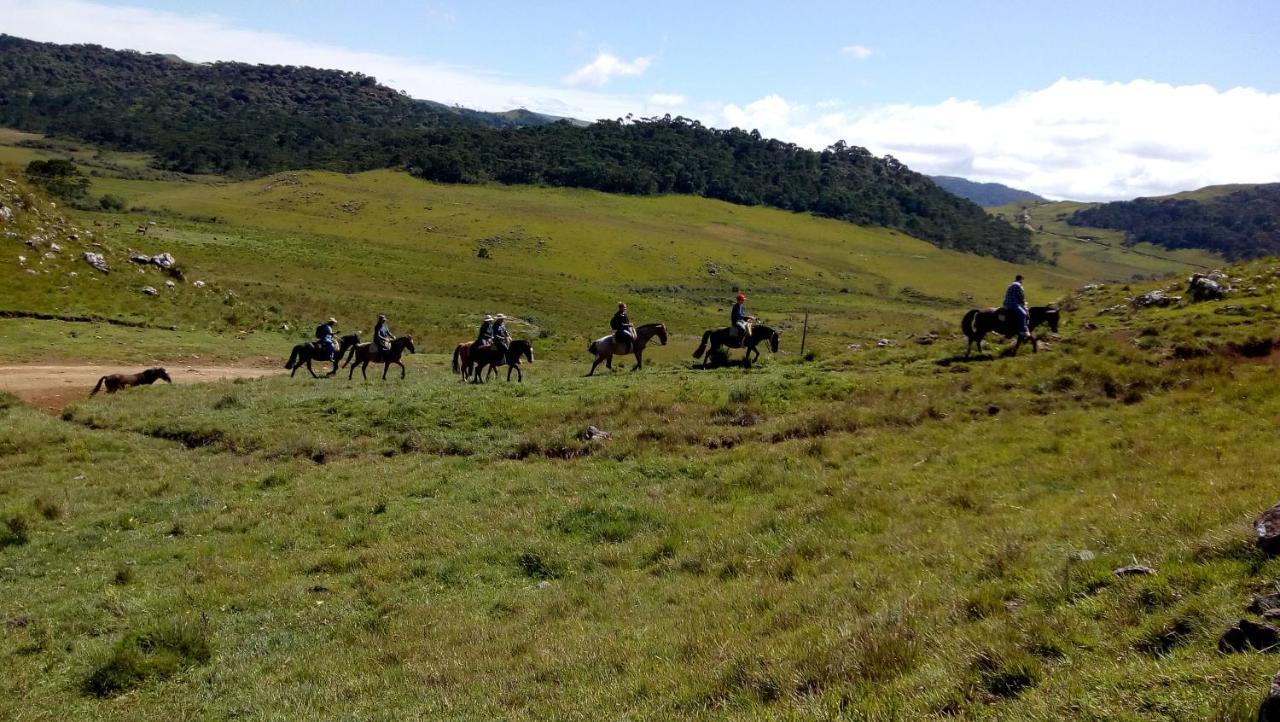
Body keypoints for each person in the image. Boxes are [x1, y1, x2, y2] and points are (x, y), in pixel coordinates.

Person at [1003, 274, 1030, 340]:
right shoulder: (1018, 286)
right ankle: (1022, 330)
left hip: (1006, 303)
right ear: (1021, 279)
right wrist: (1024, 303)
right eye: (1022, 280)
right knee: (1023, 314)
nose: (1022, 281)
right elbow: (1021, 297)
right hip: (1013, 303)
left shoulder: (1011, 285)